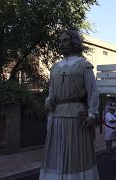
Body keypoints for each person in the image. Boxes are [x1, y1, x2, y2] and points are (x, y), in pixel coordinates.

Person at [39, 30, 100, 180]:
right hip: (56, 115)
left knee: (74, 151)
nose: (62, 44)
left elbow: (93, 91)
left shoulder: (84, 65)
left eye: (65, 40)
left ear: (74, 42)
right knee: (56, 151)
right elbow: (52, 90)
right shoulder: (55, 67)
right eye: (60, 41)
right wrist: (48, 101)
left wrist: (92, 113)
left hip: (76, 115)